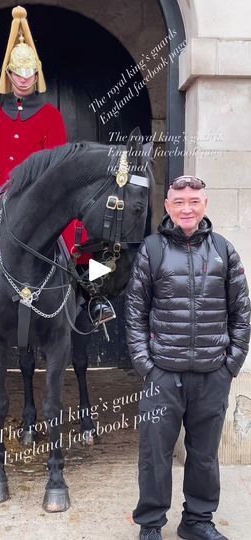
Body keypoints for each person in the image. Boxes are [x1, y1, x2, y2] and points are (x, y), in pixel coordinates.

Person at [0, 6, 113, 333]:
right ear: (9, 77)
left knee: (79, 227)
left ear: (37, 75)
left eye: (29, 74)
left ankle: (94, 293)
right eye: (17, 75)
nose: (23, 80)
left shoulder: (51, 115)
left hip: (40, 191)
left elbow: (57, 159)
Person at [125, 175, 250, 540]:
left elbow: (241, 313)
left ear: (205, 205)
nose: (186, 208)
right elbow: (135, 312)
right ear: (168, 207)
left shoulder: (224, 250)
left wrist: (231, 365)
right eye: (179, 201)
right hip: (163, 374)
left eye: (194, 201)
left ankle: (197, 521)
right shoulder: (152, 249)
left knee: (205, 455)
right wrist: (146, 366)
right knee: (155, 454)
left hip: (212, 374)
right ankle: (151, 524)